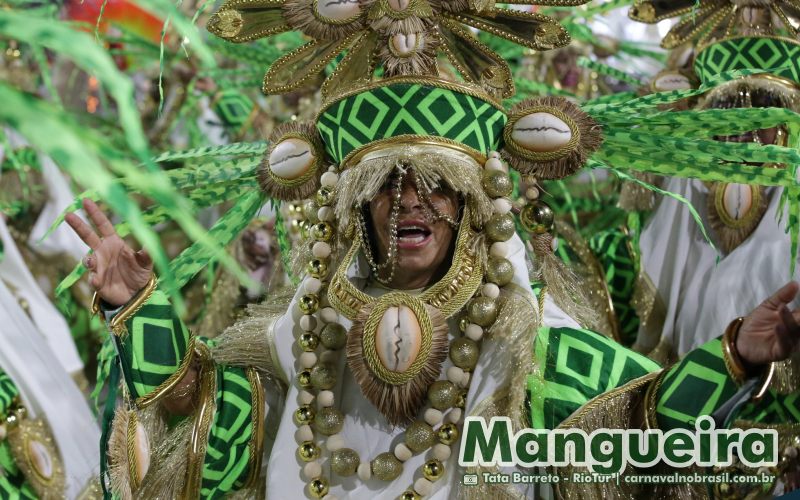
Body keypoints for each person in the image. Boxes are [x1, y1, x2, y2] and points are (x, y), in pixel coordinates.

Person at [67, 0, 800, 498]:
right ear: (356, 207)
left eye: (435, 186)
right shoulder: (296, 341)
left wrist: (735, 354)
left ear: (473, 206)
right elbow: (198, 409)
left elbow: (640, 426)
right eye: (387, 184)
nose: (409, 200)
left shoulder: (533, 349)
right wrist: (138, 306)